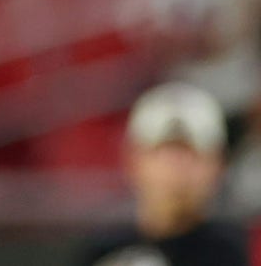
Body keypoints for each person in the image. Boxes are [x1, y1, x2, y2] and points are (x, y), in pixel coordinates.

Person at [81, 82, 250, 266]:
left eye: (191, 153)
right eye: (163, 152)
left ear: (218, 164)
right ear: (133, 159)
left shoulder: (231, 251)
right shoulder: (103, 248)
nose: (177, 167)